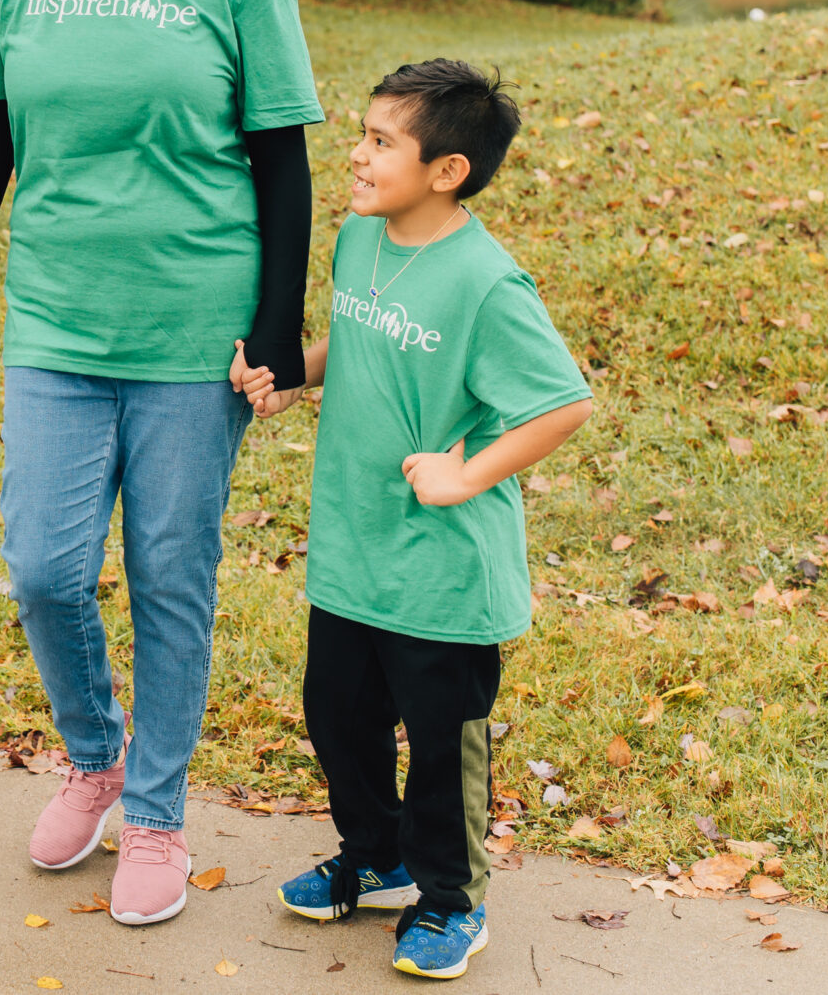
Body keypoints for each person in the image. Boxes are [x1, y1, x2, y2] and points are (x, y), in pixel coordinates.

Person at [0, 0, 324, 925]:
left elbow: (281, 158)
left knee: (169, 573)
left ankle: (153, 809)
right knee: (44, 567)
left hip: (195, 324)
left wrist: (272, 322)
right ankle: (93, 751)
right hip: (56, 314)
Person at [237, 60, 594, 981]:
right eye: (361, 133)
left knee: (441, 746)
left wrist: (465, 472)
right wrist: (294, 373)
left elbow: (562, 403)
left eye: (380, 140)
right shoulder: (364, 239)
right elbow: (359, 339)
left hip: (441, 571)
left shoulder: (485, 282)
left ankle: (449, 901)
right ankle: (379, 856)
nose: (355, 154)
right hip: (352, 549)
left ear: (448, 170)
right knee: (338, 718)